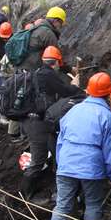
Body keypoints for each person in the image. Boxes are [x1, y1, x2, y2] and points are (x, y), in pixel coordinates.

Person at [50, 72, 111, 220]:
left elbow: (60, 141)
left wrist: (61, 164)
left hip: (66, 164)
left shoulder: (74, 110)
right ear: (108, 93)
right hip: (91, 167)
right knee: (93, 205)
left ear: (88, 90)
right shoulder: (107, 116)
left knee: (62, 206)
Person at [20, 46, 84, 198]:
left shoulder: (39, 72)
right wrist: (75, 85)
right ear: (55, 63)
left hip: (33, 120)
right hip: (38, 123)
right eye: (58, 64)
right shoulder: (48, 75)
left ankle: (56, 188)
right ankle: (24, 195)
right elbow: (66, 92)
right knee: (39, 159)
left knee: (56, 153)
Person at [16, 6, 66, 71]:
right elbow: (56, 57)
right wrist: (69, 69)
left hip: (21, 68)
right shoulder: (48, 34)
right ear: (56, 20)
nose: (60, 27)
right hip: (31, 71)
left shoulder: (38, 26)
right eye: (61, 23)